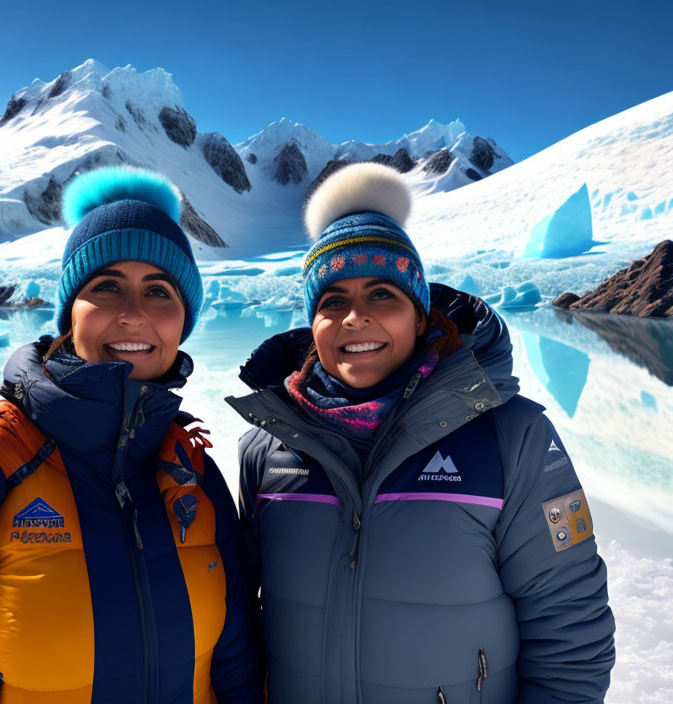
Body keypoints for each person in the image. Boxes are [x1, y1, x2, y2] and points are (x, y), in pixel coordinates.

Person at [0, 167, 263, 703]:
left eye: (159, 291)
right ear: (72, 311)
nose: (134, 313)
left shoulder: (194, 472)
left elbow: (235, 668)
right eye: (107, 286)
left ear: (183, 321)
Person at [227, 163, 615, 703]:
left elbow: (570, 632)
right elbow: (242, 622)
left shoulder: (511, 437)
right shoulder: (266, 451)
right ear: (312, 324)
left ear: (419, 312)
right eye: (331, 300)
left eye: (383, 294)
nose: (355, 317)